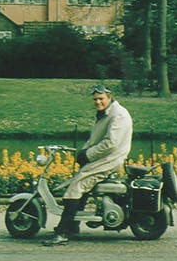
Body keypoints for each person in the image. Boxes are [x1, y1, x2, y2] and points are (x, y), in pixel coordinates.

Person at [45, 84, 133, 245]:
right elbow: (95, 139)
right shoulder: (106, 113)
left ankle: (63, 232)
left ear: (109, 97)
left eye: (101, 99)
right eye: (95, 99)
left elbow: (111, 143)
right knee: (81, 185)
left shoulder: (118, 115)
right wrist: (83, 153)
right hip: (103, 158)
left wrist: (87, 154)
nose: (98, 102)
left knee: (75, 188)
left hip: (109, 160)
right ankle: (73, 226)